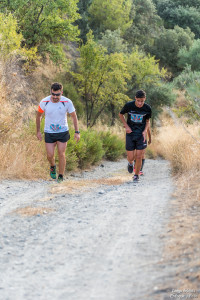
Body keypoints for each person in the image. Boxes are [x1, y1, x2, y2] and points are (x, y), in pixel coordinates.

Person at [36, 82, 80, 182]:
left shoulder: (67, 102)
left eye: (58, 95)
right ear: (51, 92)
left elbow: (74, 116)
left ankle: (60, 176)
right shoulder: (44, 101)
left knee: (61, 153)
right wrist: (38, 131)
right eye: (53, 94)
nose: (55, 97)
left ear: (61, 92)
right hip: (49, 132)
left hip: (63, 131)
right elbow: (38, 116)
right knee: (50, 155)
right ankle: (52, 166)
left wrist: (77, 132)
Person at [119, 90, 152, 181]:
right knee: (131, 157)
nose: (140, 103)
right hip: (130, 134)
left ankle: (136, 175)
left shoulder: (147, 108)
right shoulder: (129, 105)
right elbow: (121, 114)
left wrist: (145, 131)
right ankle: (130, 163)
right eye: (138, 100)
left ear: (144, 99)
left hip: (141, 134)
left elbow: (147, 121)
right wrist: (126, 126)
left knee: (139, 156)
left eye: (142, 101)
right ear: (135, 98)